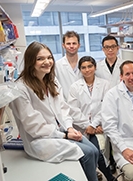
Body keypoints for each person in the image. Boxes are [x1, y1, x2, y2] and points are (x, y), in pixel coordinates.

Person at [9, 42, 99, 181]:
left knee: (94, 150)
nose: (47, 62)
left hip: (62, 131)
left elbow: (63, 109)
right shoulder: (21, 88)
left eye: (49, 57)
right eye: (40, 59)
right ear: (30, 61)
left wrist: (69, 128)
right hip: (41, 140)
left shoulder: (52, 80)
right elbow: (34, 127)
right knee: (87, 153)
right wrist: (64, 135)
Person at [67, 56, 114, 181]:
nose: (87, 70)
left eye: (90, 66)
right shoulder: (75, 87)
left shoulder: (105, 84)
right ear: (80, 69)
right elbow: (73, 110)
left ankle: (105, 177)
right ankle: (104, 177)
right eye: (83, 67)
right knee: (92, 154)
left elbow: (106, 107)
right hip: (81, 128)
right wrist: (87, 125)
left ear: (95, 67)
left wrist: (93, 125)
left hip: (98, 127)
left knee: (98, 154)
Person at [55, 31, 81, 100]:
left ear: (79, 45)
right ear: (63, 46)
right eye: (68, 43)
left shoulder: (85, 64)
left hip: (85, 106)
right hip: (66, 106)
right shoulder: (57, 66)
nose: (71, 46)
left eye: (74, 43)